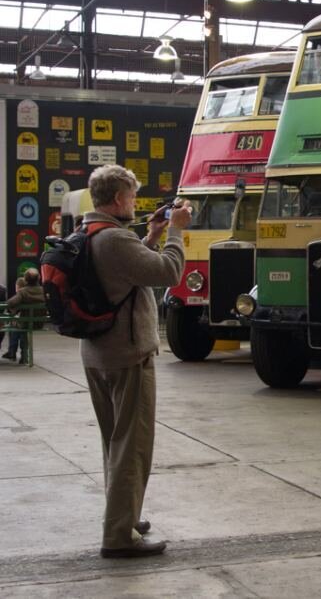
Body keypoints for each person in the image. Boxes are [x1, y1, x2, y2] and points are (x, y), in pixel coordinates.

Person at [80, 164, 191, 558]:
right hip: (127, 354)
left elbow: (125, 273)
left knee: (115, 441)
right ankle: (119, 536)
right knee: (133, 445)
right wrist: (177, 229)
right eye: (131, 196)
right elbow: (169, 272)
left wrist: (152, 235)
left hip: (98, 354)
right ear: (116, 200)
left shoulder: (89, 233)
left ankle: (123, 513)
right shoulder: (114, 239)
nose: (136, 202)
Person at [3, 273, 44, 364]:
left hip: (26, 322)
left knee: (16, 325)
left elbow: (10, 303)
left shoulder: (23, 292)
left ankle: (13, 352)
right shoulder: (43, 290)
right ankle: (23, 355)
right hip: (39, 323)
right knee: (19, 326)